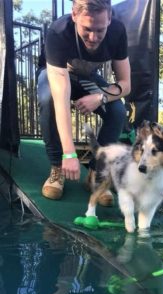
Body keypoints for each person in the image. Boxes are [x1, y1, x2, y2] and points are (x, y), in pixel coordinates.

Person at [37, 0, 131, 202]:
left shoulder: (117, 31)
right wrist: (69, 153)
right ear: (74, 15)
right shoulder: (58, 32)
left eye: (100, 30)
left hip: (87, 79)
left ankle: (96, 175)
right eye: (87, 29)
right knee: (48, 99)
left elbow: (125, 84)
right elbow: (61, 95)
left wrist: (100, 97)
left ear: (109, 18)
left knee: (117, 111)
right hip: (59, 75)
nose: (93, 37)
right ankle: (56, 169)